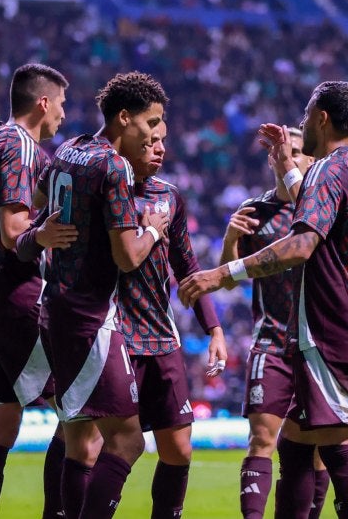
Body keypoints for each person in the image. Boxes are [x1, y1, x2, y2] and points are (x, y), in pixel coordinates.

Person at [179, 81, 348, 519]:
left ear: (321, 118)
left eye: (306, 117)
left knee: (338, 446)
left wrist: (222, 273)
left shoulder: (330, 170)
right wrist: (288, 164)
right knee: (296, 443)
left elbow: (300, 246)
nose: (302, 125)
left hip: (331, 328)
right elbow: (306, 195)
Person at [17, 71, 170, 518]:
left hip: (56, 307)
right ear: (125, 118)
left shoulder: (70, 149)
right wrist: (153, 231)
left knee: (77, 435)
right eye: (151, 121)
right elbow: (127, 257)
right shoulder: (114, 166)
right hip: (89, 315)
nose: (155, 133)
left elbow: (41, 195)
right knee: (127, 440)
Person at [0, 63, 79, 519]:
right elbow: (14, 231)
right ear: (43, 102)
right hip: (19, 297)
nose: (63, 118)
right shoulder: (20, 147)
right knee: (79, 415)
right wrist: (46, 234)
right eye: (62, 106)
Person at [116, 121, 229, 518]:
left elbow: (186, 266)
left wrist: (213, 327)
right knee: (96, 446)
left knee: (179, 450)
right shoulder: (104, 188)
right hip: (113, 336)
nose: (160, 149)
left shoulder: (170, 196)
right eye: (150, 141)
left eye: (163, 140)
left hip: (161, 336)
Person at [219, 128, 329, 518]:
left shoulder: (321, 208)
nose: (293, 158)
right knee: (261, 438)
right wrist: (231, 237)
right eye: (287, 152)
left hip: (318, 347)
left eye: (300, 152)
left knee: (314, 451)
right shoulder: (255, 211)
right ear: (272, 160)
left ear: (311, 161)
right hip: (272, 342)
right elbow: (228, 280)